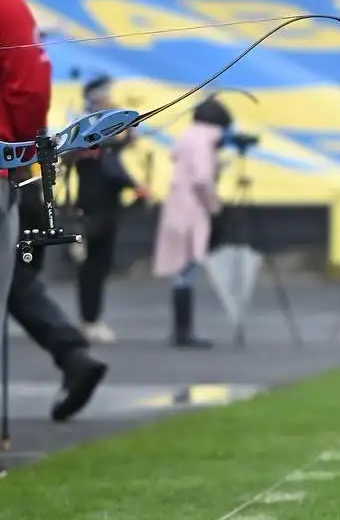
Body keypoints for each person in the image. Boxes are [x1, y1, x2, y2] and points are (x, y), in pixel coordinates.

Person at [0, 0, 109, 423]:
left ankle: (71, 353)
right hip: (13, 171)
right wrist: (29, 149)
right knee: (15, 284)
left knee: (17, 285)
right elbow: (30, 86)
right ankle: (71, 353)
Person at [67, 75, 149, 345]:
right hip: (92, 208)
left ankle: (92, 318)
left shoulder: (104, 129)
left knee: (99, 266)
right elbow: (106, 164)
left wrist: (129, 129)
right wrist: (133, 185)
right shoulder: (85, 127)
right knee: (91, 267)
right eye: (103, 93)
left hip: (107, 206)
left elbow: (115, 150)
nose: (108, 96)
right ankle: (88, 320)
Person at [152, 95, 231, 349]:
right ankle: (184, 332)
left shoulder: (187, 137)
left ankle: (180, 329)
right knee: (188, 270)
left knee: (181, 271)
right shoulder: (205, 141)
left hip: (176, 207)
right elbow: (202, 180)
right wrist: (214, 207)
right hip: (193, 211)